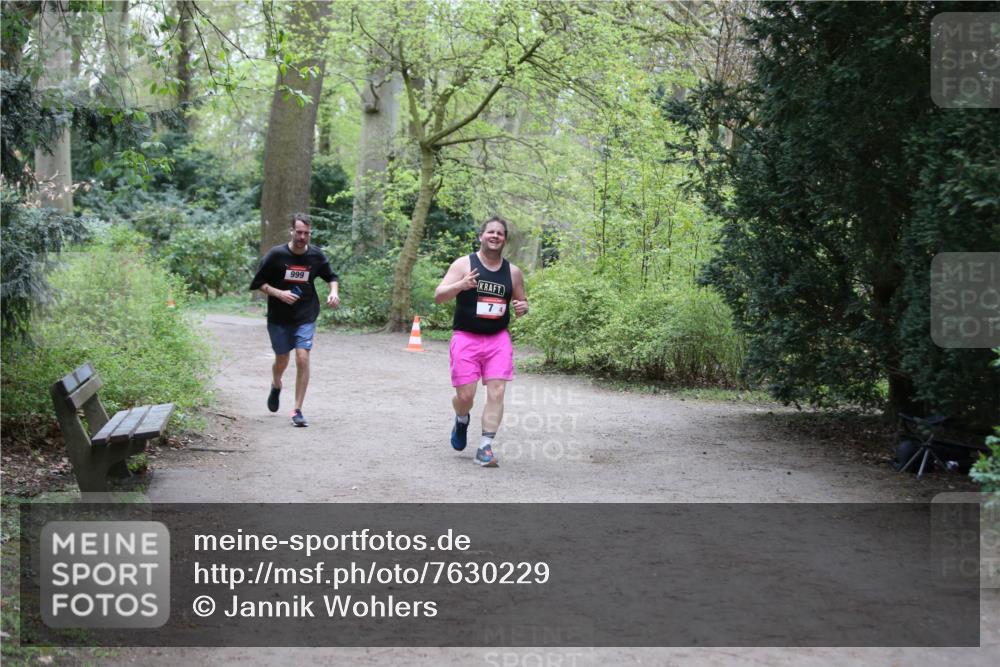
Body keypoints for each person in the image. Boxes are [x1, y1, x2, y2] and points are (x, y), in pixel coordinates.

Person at [434, 216, 528, 467]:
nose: (495, 236)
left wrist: (522, 307)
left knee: (497, 391)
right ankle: (461, 418)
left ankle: (485, 447)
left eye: (500, 233)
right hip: (466, 337)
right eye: (491, 232)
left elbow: (522, 301)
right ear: (481, 236)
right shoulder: (464, 264)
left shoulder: (513, 272)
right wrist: (460, 284)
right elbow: (439, 296)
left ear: (505, 239)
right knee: (466, 396)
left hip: (498, 339)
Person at [249, 213, 339, 427]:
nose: (302, 236)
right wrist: (279, 293)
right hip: (279, 317)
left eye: (306, 233)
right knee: (282, 360)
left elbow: (332, 277)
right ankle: (276, 384)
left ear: (310, 233)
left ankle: (297, 410)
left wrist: (334, 292)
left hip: (305, 315)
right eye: (299, 232)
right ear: (292, 231)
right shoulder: (276, 255)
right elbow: (258, 283)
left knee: (302, 357)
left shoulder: (316, 256)